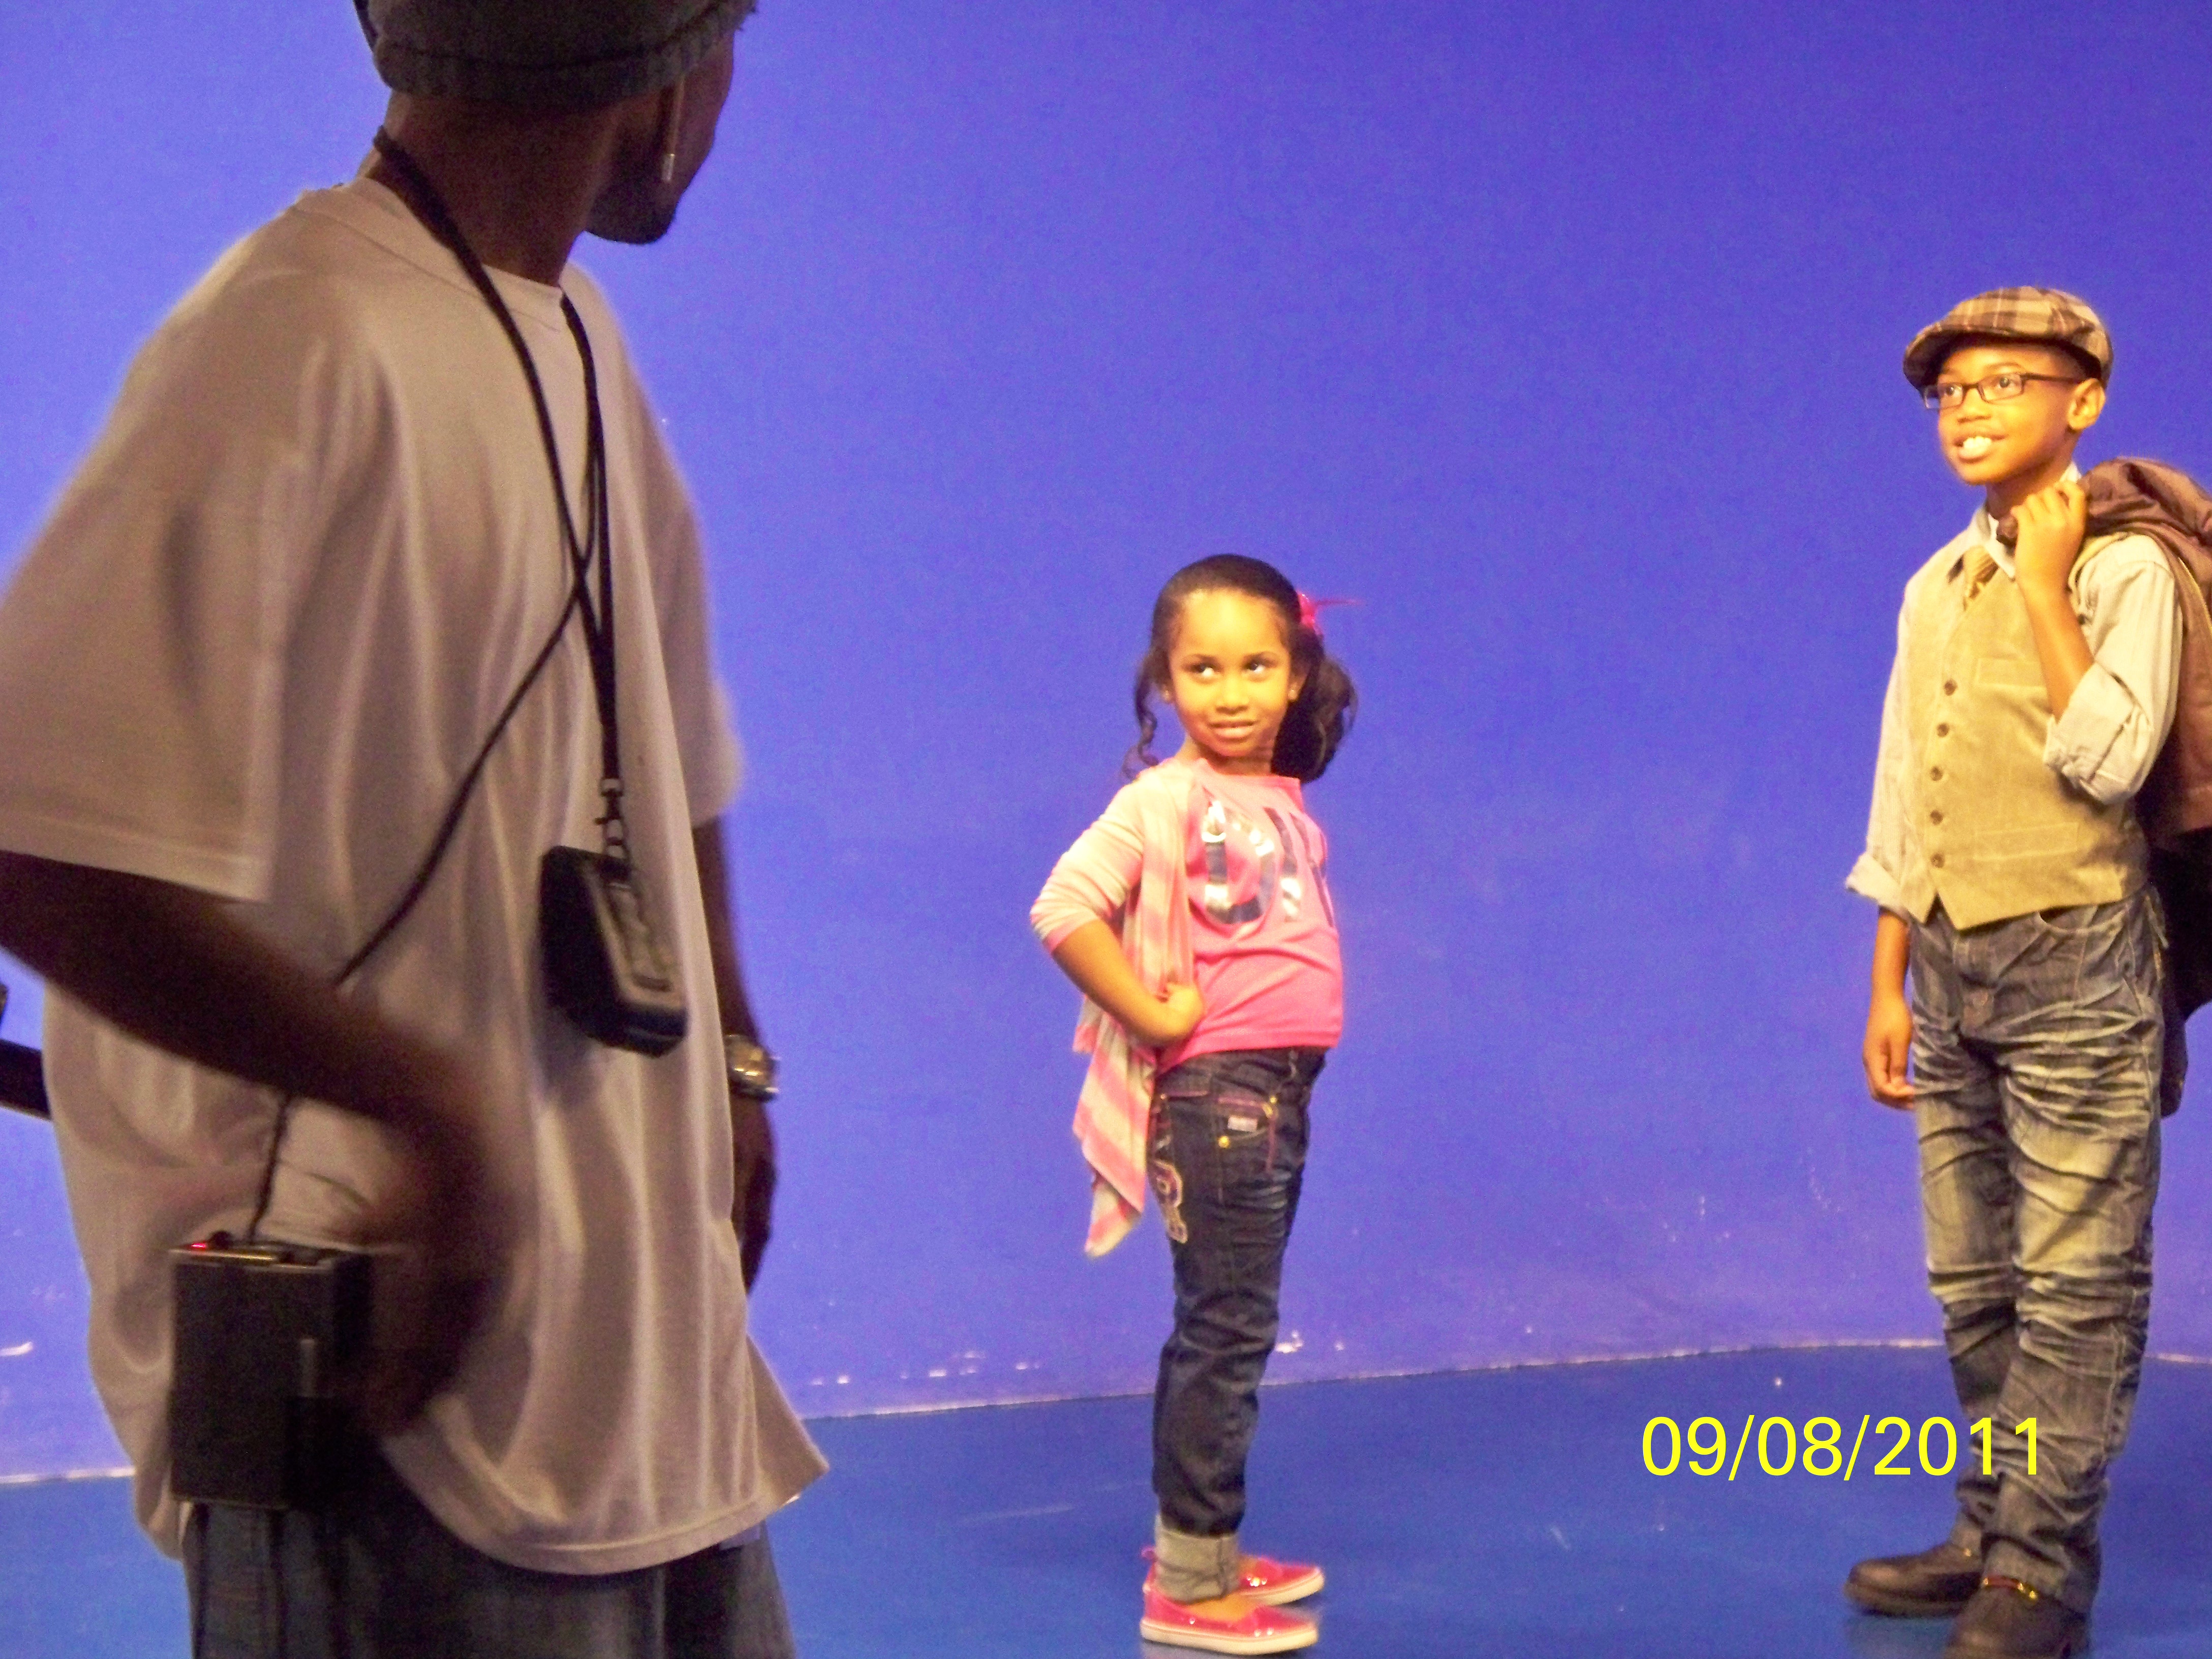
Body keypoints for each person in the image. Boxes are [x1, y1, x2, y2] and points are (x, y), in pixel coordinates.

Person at [0, 3, 825, 1654]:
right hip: (393, 1403)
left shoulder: (571, 332)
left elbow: (667, 744)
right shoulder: (294, 333)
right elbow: (40, 844)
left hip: (632, 1363)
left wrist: (731, 1055)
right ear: (661, 80)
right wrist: (436, 1114)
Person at [1842, 289, 2179, 1659]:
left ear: (2080, 402)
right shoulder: (1934, 582)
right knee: (1974, 1279)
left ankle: (2042, 1572)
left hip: (2077, 964)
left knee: (2076, 1284)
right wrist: (1887, 978)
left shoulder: (2122, 568)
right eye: (1952, 391)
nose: (1969, 409)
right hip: (1947, 966)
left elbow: (2111, 760)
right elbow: (1902, 798)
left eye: (2004, 383)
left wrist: (2046, 584)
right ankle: (1989, 1530)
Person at [1030, 555, 1356, 1656]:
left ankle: (1207, 1552)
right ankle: (1189, 1582)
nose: (1230, 692)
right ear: (1164, 683)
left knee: (1232, 1322)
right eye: (1201, 670)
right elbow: (1064, 907)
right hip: (1222, 1095)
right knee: (1226, 1328)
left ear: (1296, 673)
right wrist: (1151, 1013)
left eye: (1256, 666)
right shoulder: (1163, 800)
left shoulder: (1277, 799)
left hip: (1275, 1091)